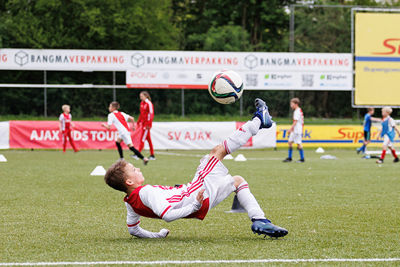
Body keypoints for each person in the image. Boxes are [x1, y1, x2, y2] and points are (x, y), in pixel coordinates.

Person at [104, 98, 288, 239]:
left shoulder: (130, 201)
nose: (137, 169)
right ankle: (258, 120)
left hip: (195, 196)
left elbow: (134, 230)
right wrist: (194, 205)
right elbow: (167, 215)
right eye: (133, 170)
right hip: (195, 195)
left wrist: (157, 235)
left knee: (237, 181)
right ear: (129, 181)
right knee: (217, 152)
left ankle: (260, 221)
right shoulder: (144, 193)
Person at [283, 98, 305, 163]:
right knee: (290, 142)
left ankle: (302, 159)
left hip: (297, 130)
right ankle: (289, 158)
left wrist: (290, 129)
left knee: (298, 143)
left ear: (296, 104)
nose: (291, 105)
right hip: (295, 129)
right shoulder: (298, 110)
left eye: (292, 104)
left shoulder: (297, 111)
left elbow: (295, 122)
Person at [136, 91, 155, 160]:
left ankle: (138, 154)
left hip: (147, 125)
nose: (140, 97)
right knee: (148, 140)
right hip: (143, 123)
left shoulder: (149, 103)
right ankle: (152, 155)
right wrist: (138, 122)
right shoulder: (142, 103)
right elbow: (141, 114)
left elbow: (151, 114)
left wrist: (149, 124)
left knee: (142, 139)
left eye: (141, 96)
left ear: (146, 96)